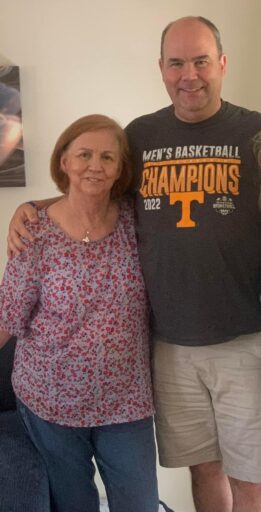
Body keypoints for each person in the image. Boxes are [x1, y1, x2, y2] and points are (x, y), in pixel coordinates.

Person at [7, 16, 261, 512]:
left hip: (238, 342)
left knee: (247, 476)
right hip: (162, 350)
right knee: (203, 468)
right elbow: (90, 186)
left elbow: (96, 184)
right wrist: (34, 208)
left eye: (201, 60)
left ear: (222, 64)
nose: (190, 74)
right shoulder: (142, 136)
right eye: (176, 62)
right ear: (162, 69)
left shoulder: (253, 132)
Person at [0, 114, 159, 512]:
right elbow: (8, 316)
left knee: (139, 504)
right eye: (84, 154)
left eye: (108, 157)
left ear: (120, 168)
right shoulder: (35, 230)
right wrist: (30, 205)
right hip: (50, 400)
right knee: (75, 505)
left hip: (126, 401)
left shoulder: (136, 219)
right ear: (64, 161)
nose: (95, 165)